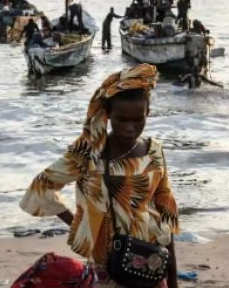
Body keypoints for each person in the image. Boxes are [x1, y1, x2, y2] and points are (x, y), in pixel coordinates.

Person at [20, 64, 180, 288]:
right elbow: (41, 188)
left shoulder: (155, 151)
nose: (129, 128)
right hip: (109, 262)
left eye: (138, 120)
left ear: (148, 113)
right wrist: (79, 224)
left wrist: (173, 279)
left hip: (151, 259)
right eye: (121, 120)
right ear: (108, 115)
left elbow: (167, 213)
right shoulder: (90, 153)